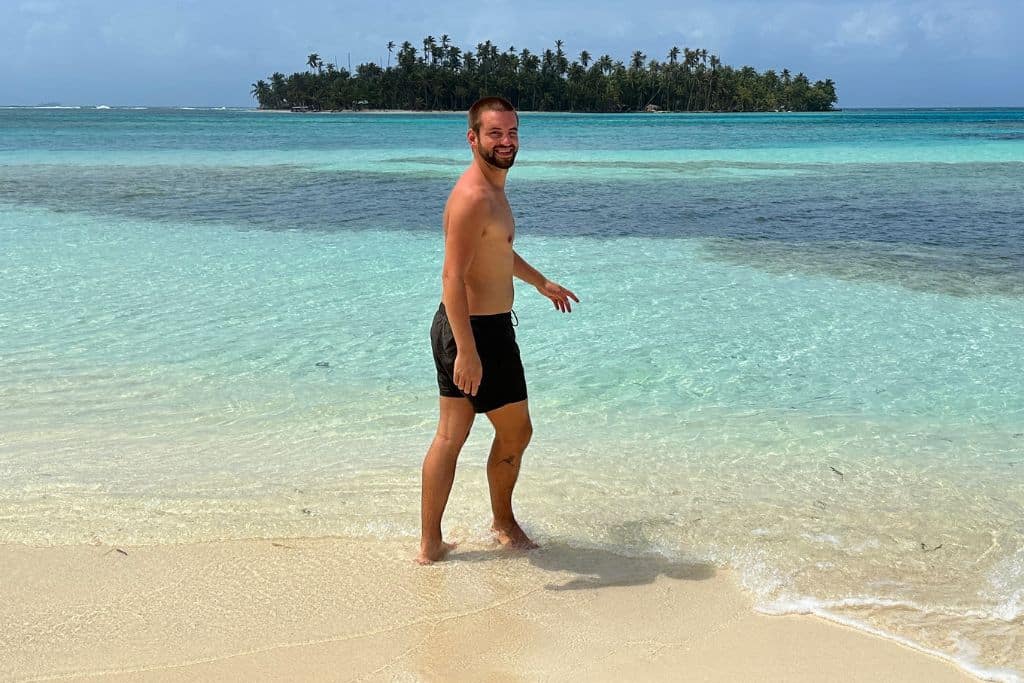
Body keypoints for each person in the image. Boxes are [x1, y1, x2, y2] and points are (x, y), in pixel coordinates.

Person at [417, 96, 579, 565]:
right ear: (473, 138)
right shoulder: (473, 197)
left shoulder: (493, 191)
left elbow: (496, 253)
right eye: (495, 133)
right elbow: (452, 277)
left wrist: (539, 282)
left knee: (452, 435)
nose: (506, 142)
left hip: (466, 328)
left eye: (512, 133)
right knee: (516, 432)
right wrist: (468, 351)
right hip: (476, 332)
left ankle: (431, 545)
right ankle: (502, 523)